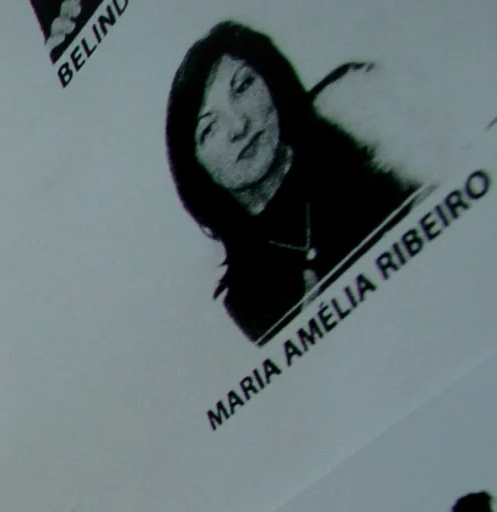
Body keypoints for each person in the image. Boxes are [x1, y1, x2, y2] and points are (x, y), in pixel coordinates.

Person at [165, 21, 418, 343]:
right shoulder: (246, 297)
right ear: (196, 168)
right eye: (209, 128)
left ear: (270, 79)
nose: (239, 125)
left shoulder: (363, 138)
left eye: (243, 87)